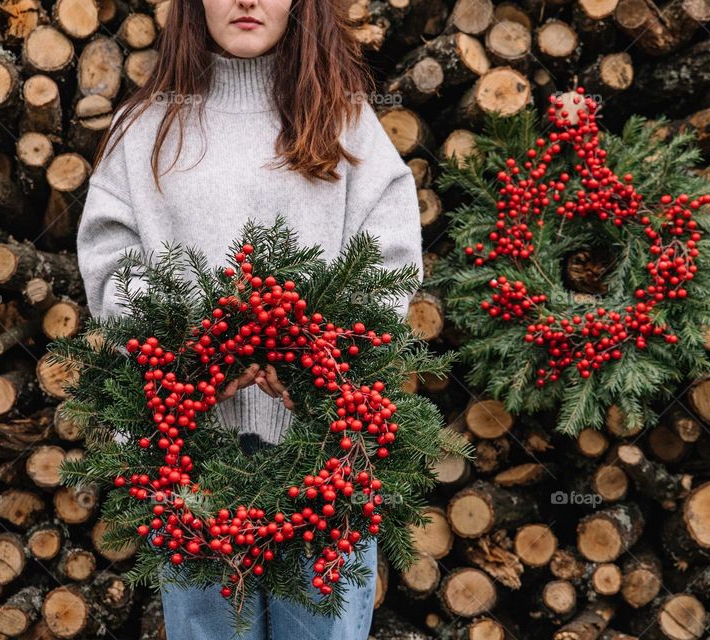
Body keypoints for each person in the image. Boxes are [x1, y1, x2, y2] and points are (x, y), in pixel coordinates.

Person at [75, 0, 423, 638]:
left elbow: (390, 257)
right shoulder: (146, 127)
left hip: (324, 457)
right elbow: (110, 257)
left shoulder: (344, 120)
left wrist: (319, 363)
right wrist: (196, 353)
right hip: (188, 460)